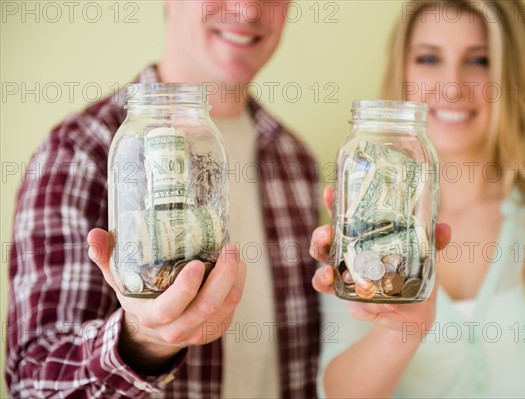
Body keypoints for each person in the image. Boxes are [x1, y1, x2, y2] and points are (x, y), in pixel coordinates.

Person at [5, 1, 321, 398]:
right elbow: (33, 382)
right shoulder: (78, 152)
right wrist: (143, 344)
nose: (248, 10)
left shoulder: (296, 159)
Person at [310, 0, 525, 397]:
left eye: (479, 61)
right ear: (404, 72)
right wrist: (405, 330)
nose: (451, 86)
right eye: (429, 58)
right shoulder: (360, 232)